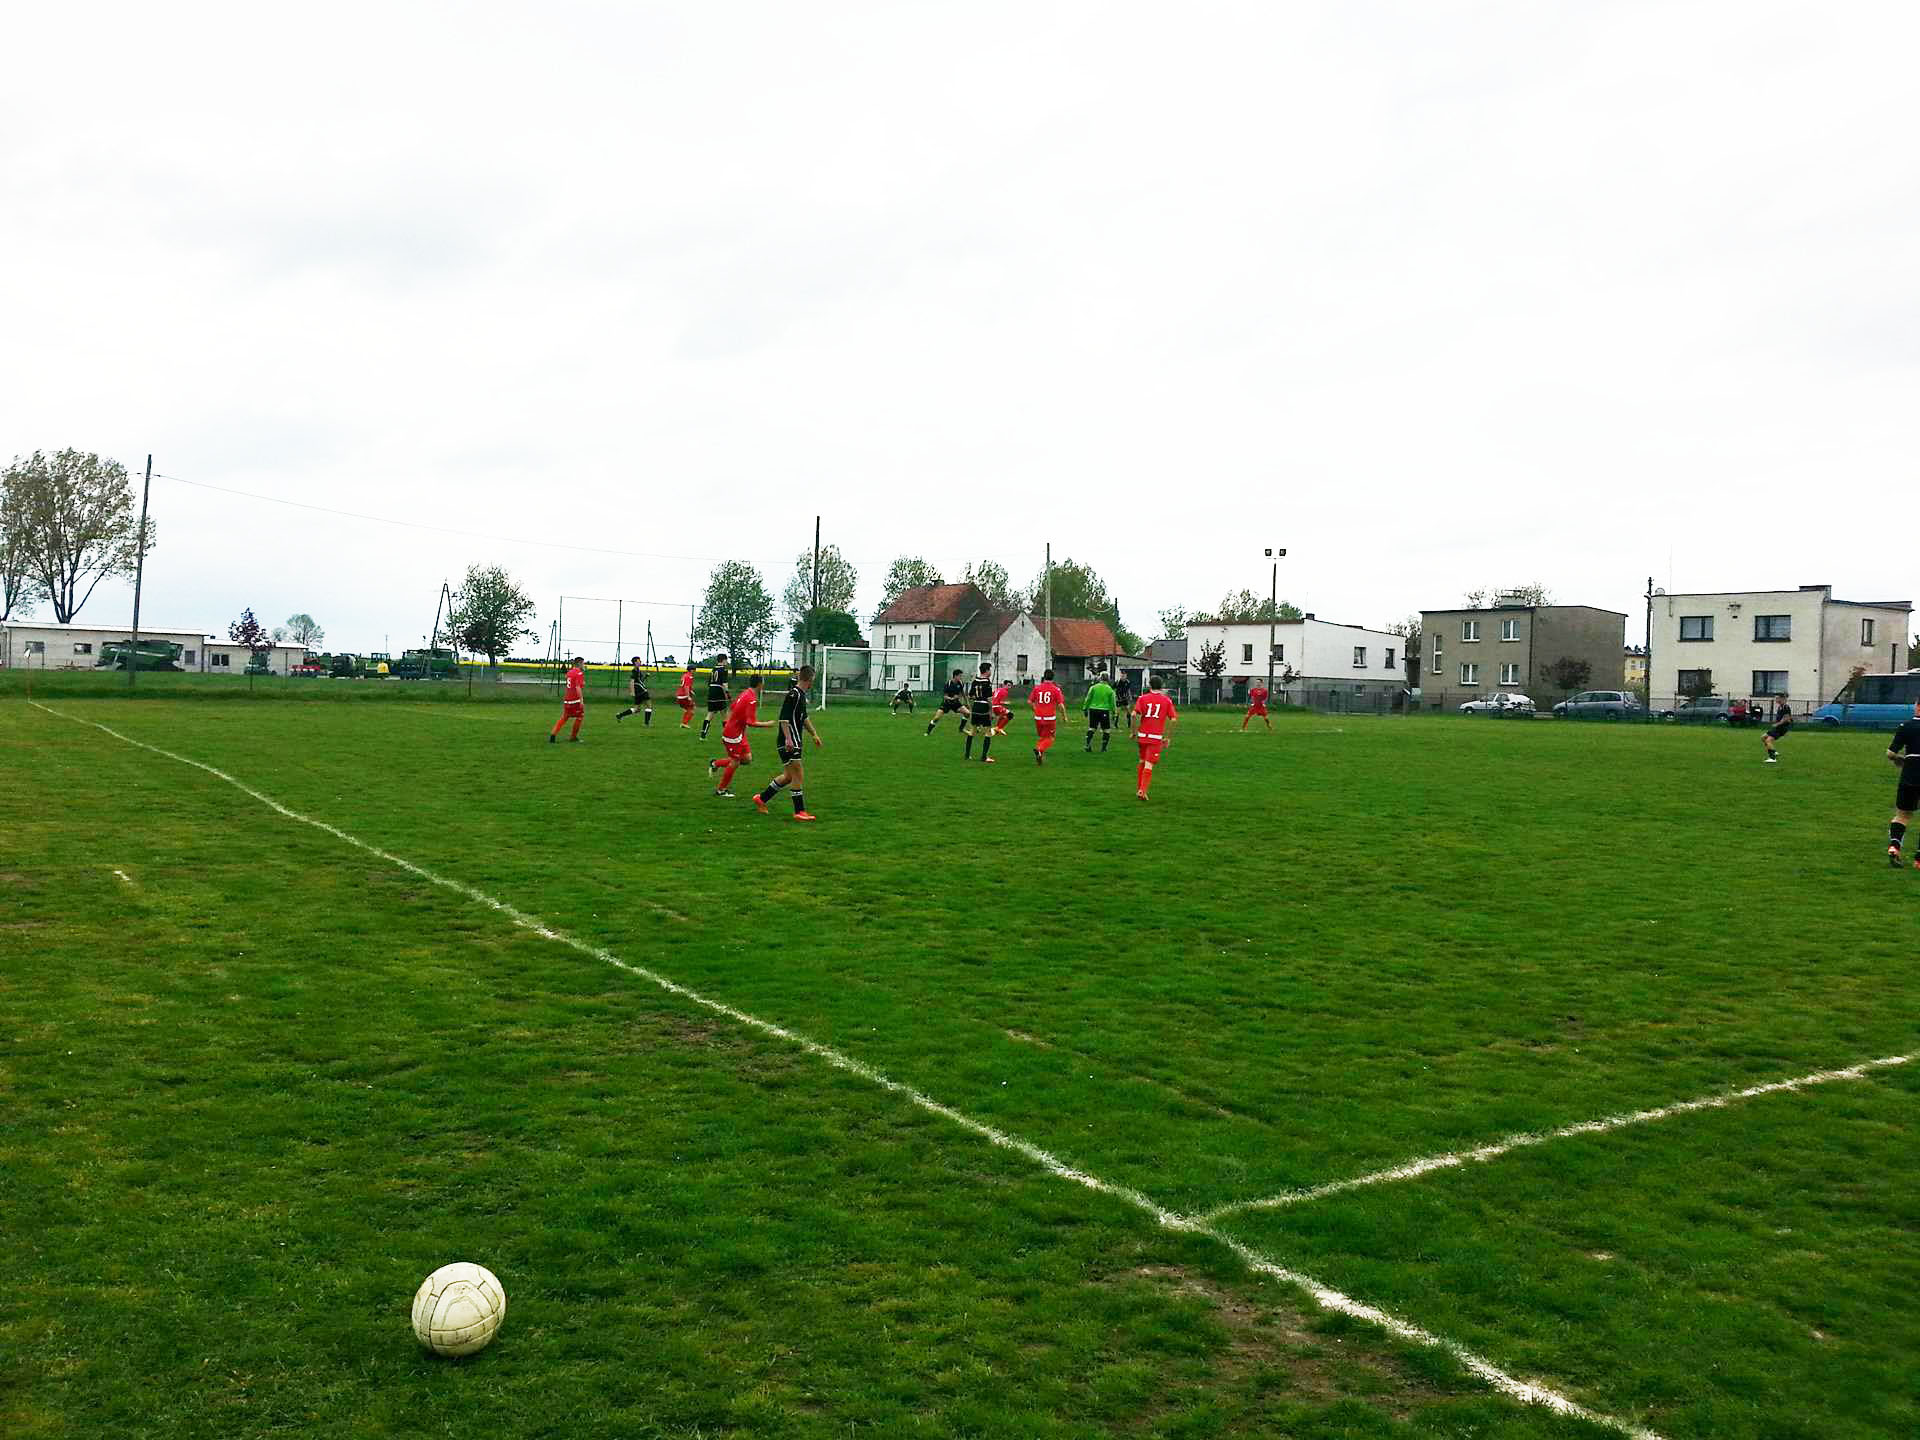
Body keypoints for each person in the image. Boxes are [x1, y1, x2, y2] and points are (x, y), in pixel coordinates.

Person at [752, 665, 823, 821]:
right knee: (798, 772)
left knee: (788, 776)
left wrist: (814, 734)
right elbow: (784, 718)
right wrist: (788, 739)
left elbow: (804, 717)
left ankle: (761, 799)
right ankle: (799, 811)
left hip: (793, 739)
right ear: (810, 679)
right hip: (790, 740)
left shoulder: (800, 695)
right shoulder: (793, 695)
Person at [710, 675, 771, 797]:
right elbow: (751, 722)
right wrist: (767, 724)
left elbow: (732, 708)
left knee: (747, 759)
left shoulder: (745, 693)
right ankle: (721, 790)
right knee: (735, 762)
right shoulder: (751, 699)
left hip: (738, 733)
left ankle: (716, 763)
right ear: (760, 684)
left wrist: (730, 722)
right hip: (733, 734)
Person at [1131, 674, 1179, 799]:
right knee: (1149, 764)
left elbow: (1133, 715)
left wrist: (1133, 732)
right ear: (1162, 686)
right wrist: (1168, 738)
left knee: (1142, 761)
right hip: (1155, 738)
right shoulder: (1166, 700)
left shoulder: (1142, 698)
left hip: (1142, 736)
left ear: (1149, 685)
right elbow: (1173, 719)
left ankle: (1139, 789)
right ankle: (1142, 791)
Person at [1886, 699, 1920, 866]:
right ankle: (1919, 860)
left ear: (1917, 706)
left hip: (1909, 774)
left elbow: (1890, 753)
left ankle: (1894, 847)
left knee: (1902, 815)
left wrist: (1900, 759)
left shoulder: (1905, 726)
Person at [1029, 668, 1066, 763]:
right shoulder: (1056, 689)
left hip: (1038, 717)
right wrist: (1064, 716)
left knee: (1043, 737)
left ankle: (1040, 753)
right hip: (1049, 718)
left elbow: (1030, 701)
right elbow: (1060, 705)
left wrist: (1035, 709)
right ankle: (1039, 749)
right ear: (1053, 677)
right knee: (1050, 738)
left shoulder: (1037, 688)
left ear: (1044, 677)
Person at [963, 663, 997, 762]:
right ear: (986, 671)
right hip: (984, 707)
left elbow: (970, 695)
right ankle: (984, 757)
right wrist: (991, 711)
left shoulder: (975, 681)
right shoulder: (987, 682)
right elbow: (989, 699)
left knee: (972, 731)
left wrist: (977, 698)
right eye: (990, 670)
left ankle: (967, 755)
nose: (990, 672)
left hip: (976, 707)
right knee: (988, 732)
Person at [548, 657, 586, 743]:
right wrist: (581, 700)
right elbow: (577, 687)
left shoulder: (569, 672)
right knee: (580, 716)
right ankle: (573, 737)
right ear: (579, 663)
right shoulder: (579, 673)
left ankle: (553, 735)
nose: (584, 665)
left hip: (567, 699)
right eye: (583, 663)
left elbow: (571, 683)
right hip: (575, 700)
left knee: (564, 717)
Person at [926, 669, 967, 735]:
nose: (961, 677)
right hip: (946, 703)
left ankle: (961, 728)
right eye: (960, 676)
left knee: (967, 713)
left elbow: (962, 693)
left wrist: (966, 702)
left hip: (955, 703)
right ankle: (928, 732)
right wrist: (952, 698)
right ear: (955, 676)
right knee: (936, 718)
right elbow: (945, 696)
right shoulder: (948, 683)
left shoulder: (961, 683)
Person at [700, 654, 730, 740]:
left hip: (711, 691)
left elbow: (709, 682)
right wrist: (727, 693)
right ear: (723, 660)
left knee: (710, 713)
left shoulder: (713, 669)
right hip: (719, 692)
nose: (727, 662)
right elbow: (724, 683)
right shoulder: (724, 669)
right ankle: (726, 735)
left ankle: (703, 734)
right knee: (724, 714)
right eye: (726, 660)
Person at [1083, 673, 1116, 752]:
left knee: (1092, 728)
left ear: (1100, 678)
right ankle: (1103, 748)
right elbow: (1112, 702)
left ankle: (1087, 745)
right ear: (1108, 679)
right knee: (1106, 730)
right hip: (1104, 710)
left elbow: (1088, 698)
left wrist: (1085, 709)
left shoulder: (1093, 687)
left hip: (1093, 709)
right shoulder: (1109, 689)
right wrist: (1114, 713)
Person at [616, 656, 653, 726]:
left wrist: (645, 676)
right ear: (635, 662)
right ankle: (646, 724)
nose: (640, 662)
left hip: (638, 691)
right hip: (642, 690)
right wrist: (632, 692)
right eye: (639, 661)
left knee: (637, 709)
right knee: (649, 706)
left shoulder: (638, 670)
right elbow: (632, 682)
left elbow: (639, 681)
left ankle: (620, 715)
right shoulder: (635, 671)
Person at [674, 665, 696, 729]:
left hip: (680, 695)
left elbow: (685, 685)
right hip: (684, 696)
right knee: (692, 709)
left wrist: (691, 691)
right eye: (694, 670)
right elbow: (686, 686)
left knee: (688, 709)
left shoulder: (684, 675)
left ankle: (684, 723)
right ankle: (684, 723)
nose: (694, 671)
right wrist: (688, 696)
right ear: (691, 670)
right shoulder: (689, 676)